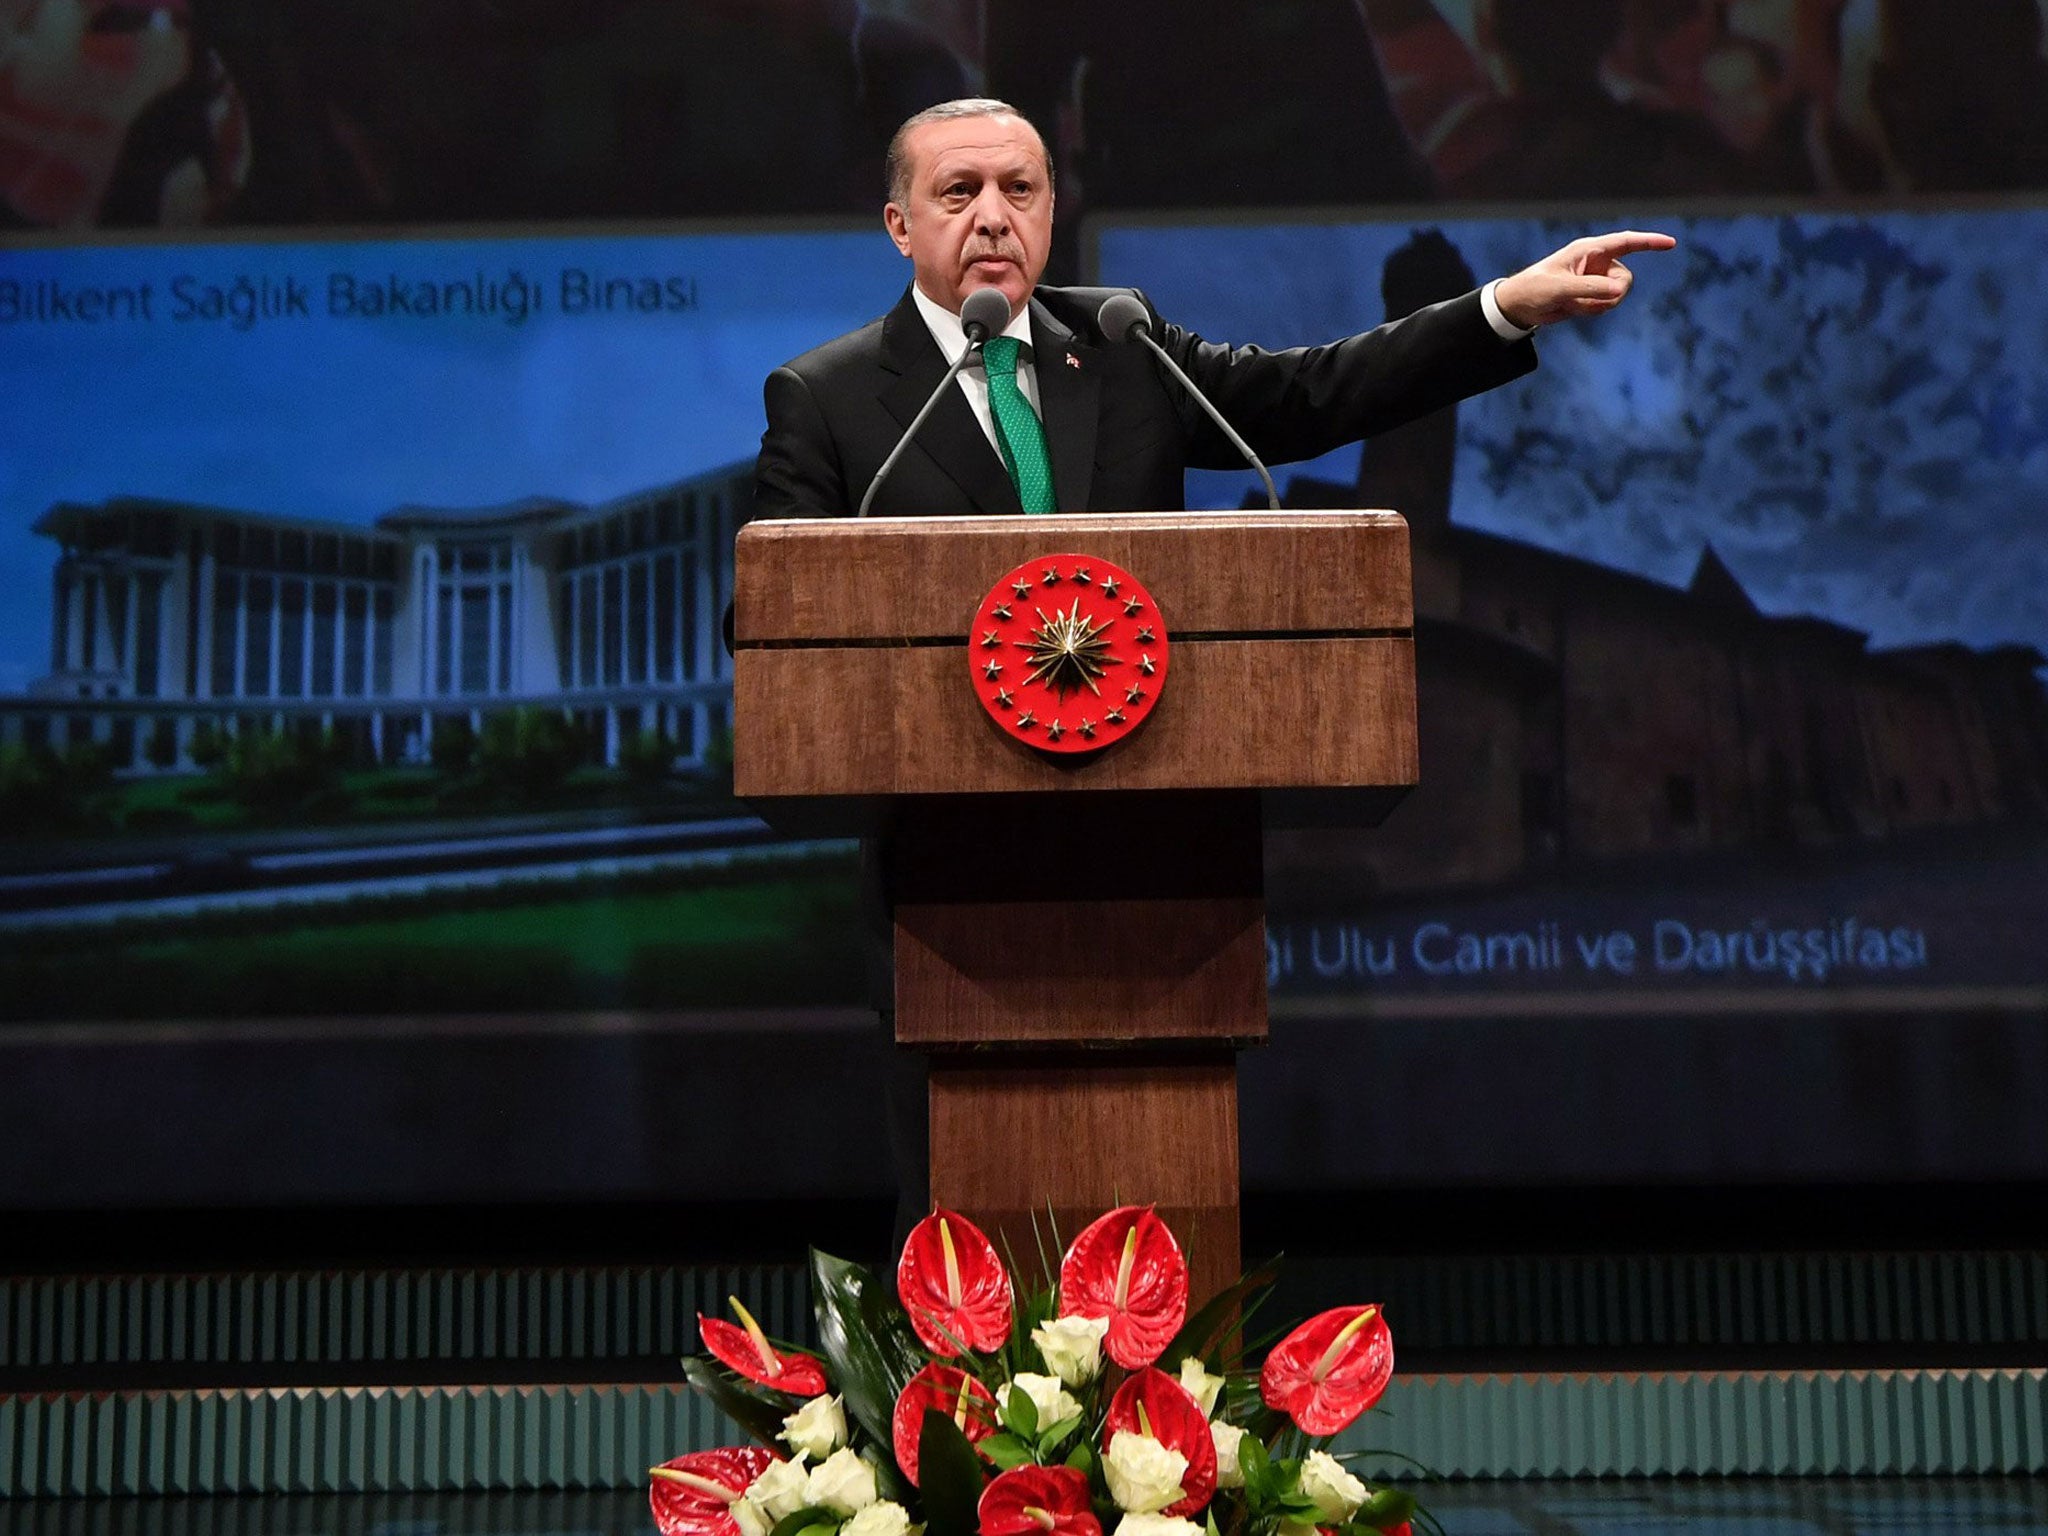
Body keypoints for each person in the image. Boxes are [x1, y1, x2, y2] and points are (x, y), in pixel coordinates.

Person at [754, 96, 1674, 522]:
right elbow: (769, 621)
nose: (994, 216)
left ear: (1050, 208)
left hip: (1164, 809)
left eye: (1020, 189)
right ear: (899, 226)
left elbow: (1310, 396)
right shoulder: (825, 398)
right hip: (944, 829)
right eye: (959, 192)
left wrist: (1503, 307)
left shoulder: (1121, 339)